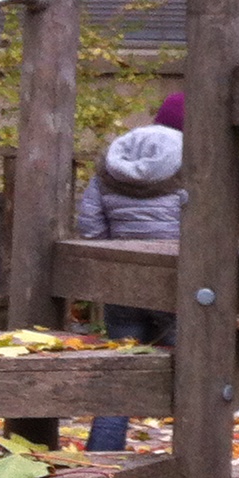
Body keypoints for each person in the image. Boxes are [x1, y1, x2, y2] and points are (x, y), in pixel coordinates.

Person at [72, 113, 185, 452]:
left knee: (119, 369)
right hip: (175, 283)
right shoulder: (193, 171)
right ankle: (191, 457)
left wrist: (117, 252)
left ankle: (102, 453)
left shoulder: (108, 174)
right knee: (190, 370)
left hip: (123, 284)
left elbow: (90, 227)